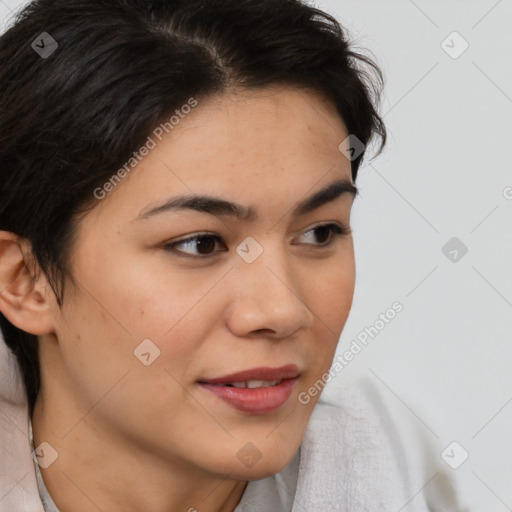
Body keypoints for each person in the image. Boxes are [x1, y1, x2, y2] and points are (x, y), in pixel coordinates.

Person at [0, 0, 466, 510]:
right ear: (25, 280)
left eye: (319, 233)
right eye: (200, 244)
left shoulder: (396, 470)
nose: (282, 312)